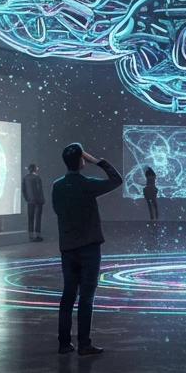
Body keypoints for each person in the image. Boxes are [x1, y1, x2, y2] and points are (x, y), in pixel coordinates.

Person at [50, 143, 122, 356]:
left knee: (68, 294)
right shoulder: (88, 184)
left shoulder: (58, 186)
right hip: (89, 247)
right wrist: (98, 161)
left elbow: (56, 210)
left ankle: (64, 343)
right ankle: (84, 343)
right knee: (87, 296)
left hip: (68, 247)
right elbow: (117, 180)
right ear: (82, 162)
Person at [22, 163, 45, 241]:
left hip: (30, 202)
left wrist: (27, 199)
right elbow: (39, 190)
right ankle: (37, 235)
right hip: (38, 201)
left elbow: (24, 190)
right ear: (35, 169)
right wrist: (42, 200)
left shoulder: (25, 178)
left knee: (30, 218)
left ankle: (31, 236)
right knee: (38, 218)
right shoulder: (37, 178)